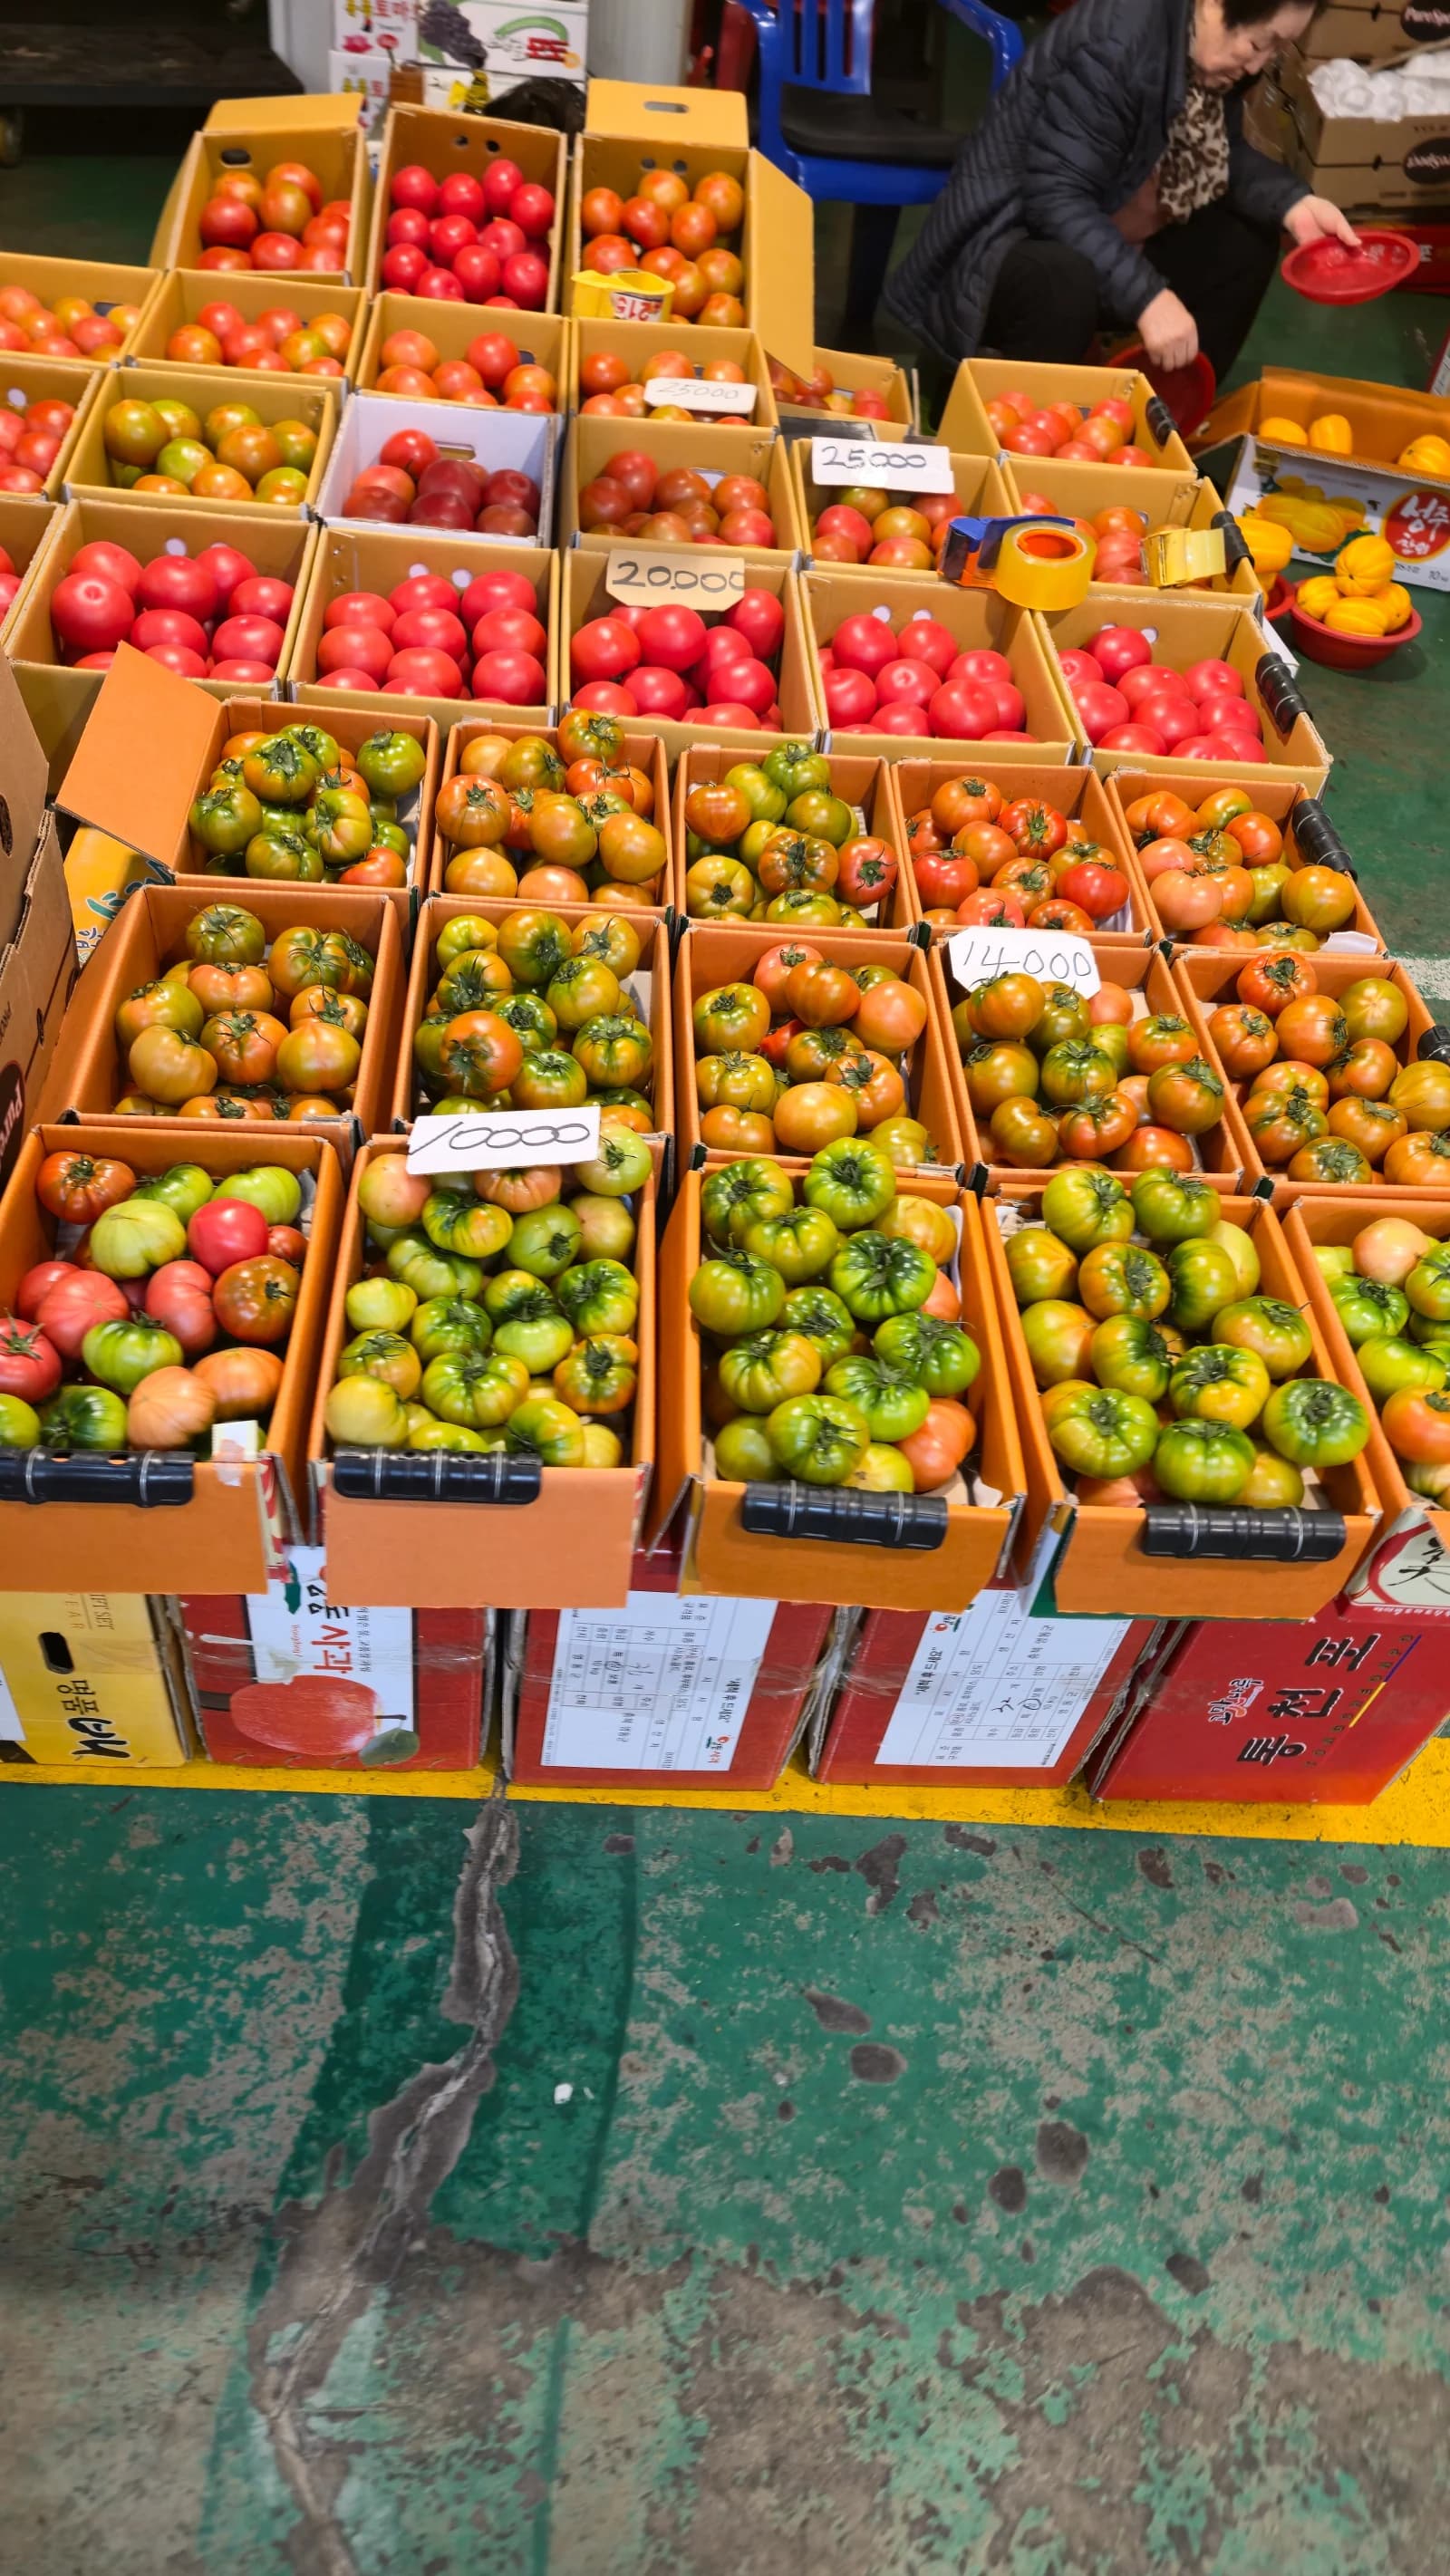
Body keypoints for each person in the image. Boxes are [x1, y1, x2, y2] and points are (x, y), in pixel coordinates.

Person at [884, 0, 1358, 385]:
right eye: (1260, 42)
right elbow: (1054, 198)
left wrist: (1294, 203)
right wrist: (1148, 297)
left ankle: (1163, 412)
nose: (1260, 63)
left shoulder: (1200, 50)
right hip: (1000, 246)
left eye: (1276, 50)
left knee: (1245, 241)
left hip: (1105, 223)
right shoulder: (1117, 44)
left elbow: (1222, 153)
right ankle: (1021, 431)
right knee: (1062, 279)